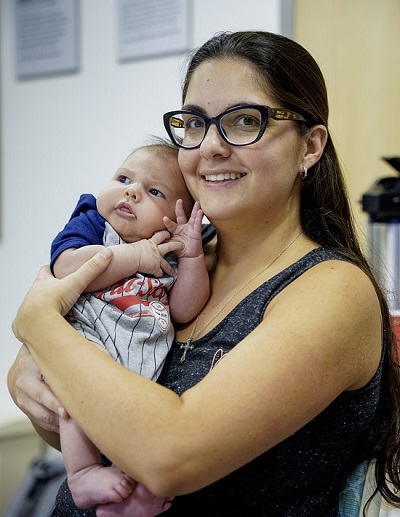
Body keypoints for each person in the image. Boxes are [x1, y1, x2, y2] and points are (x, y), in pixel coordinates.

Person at [8, 30, 400, 516]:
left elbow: (168, 455)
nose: (210, 146)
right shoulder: (170, 261)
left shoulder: (331, 291)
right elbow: (97, 426)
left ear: (310, 147)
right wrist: (27, 379)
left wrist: (40, 325)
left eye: (243, 121)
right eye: (194, 123)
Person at [47, 141, 210, 511]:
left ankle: (132, 499)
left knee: (140, 422)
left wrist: (193, 256)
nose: (131, 191)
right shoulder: (93, 223)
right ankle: (82, 474)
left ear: (177, 216)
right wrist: (134, 256)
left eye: (154, 191)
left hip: (139, 360)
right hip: (87, 338)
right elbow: (66, 269)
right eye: (123, 178)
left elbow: (185, 309)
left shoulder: (171, 248)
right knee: (75, 402)